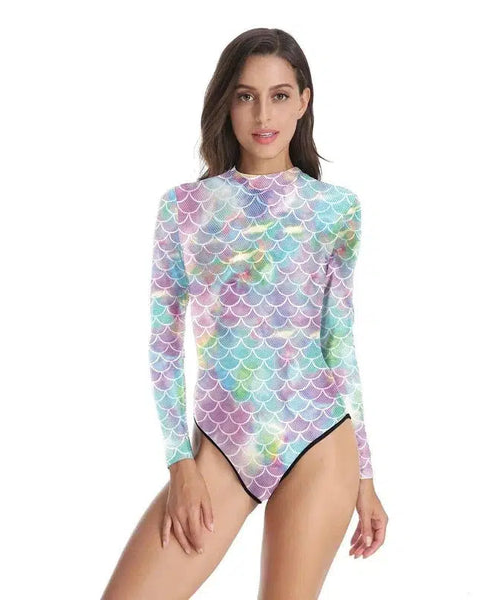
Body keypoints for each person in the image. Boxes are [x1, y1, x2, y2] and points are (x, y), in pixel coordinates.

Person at [101, 27, 388, 600]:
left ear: (303, 102)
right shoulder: (184, 207)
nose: (263, 114)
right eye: (245, 95)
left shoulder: (336, 210)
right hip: (222, 449)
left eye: (279, 95)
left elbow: (338, 343)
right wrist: (180, 464)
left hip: (318, 438)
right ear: (225, 102)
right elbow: (163, 344)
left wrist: (365, 474)